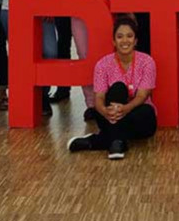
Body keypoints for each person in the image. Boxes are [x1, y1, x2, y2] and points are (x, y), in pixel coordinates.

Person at [67, 15, 157, 160]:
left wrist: (125, 109)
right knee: (118, 88)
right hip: (109, 116)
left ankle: (98, 141)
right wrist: (104, 111)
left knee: (146, 112)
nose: (125, 41)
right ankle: (117, 142)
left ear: (135, 41)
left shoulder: (147, 62)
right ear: (114, 41)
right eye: (120, 37)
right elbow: (99, 97)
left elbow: (142, 96)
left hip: (137, 114)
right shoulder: (103, 64)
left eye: (129, 36)